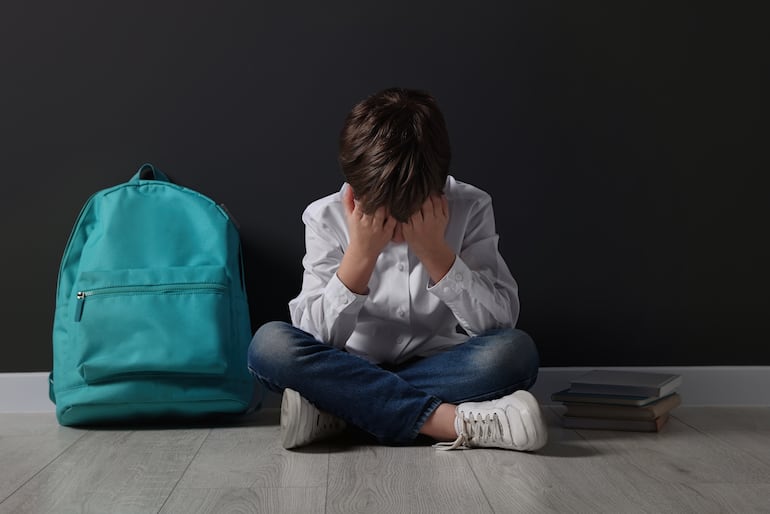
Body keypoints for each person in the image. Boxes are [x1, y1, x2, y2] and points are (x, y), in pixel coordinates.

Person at [247, 87, 547, 451]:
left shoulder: (471, 206)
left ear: (438, 191)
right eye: (382, 213)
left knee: (514, 353)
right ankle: (451, 422)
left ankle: (341, 410)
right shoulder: (325, 216)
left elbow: (498, 326)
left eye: (410, 212)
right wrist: (360, 256)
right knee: (270, 346)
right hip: (346, 363)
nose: (397, 230)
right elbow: (315, 338)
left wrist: (436, 253)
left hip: (439, 367)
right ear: (354, 192)